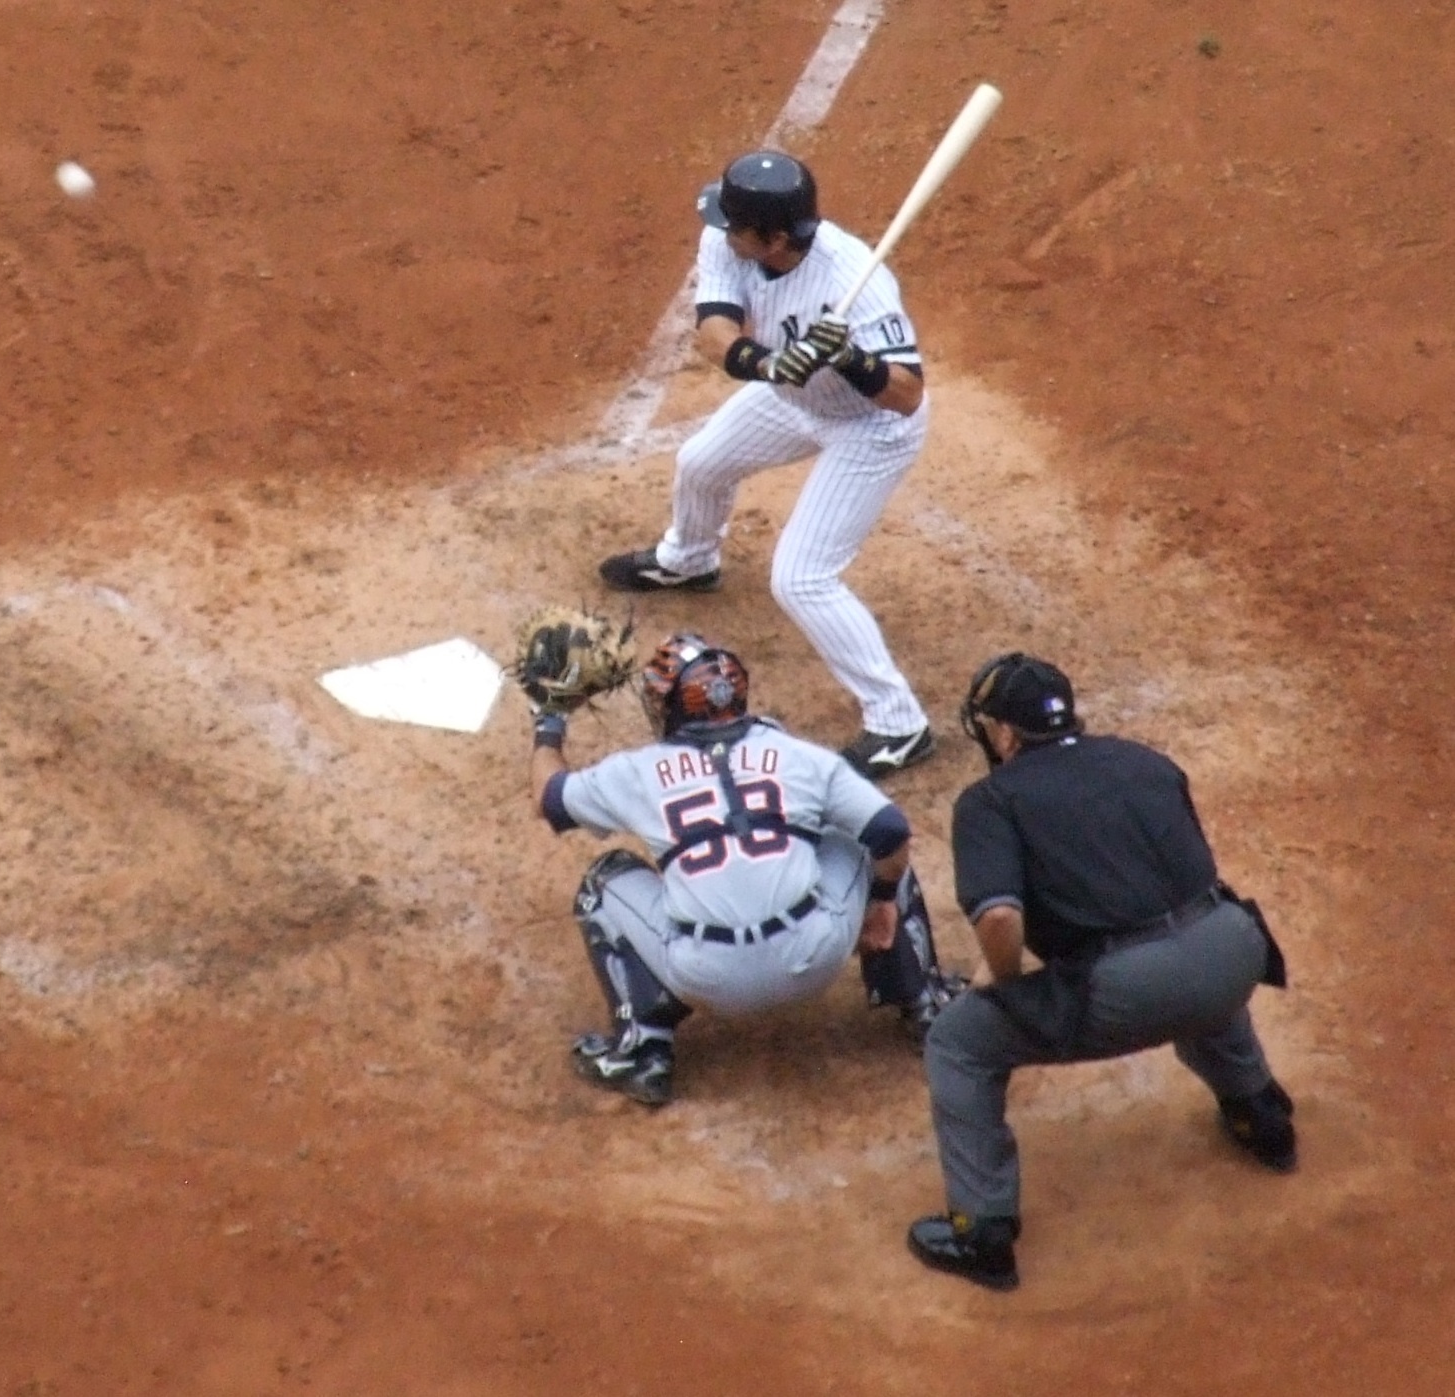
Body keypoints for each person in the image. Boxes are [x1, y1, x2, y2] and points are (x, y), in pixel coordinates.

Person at [907, 653, 1294, 1291]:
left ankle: (982, 1234)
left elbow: (999, 918)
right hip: (1235, 945)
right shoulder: (1145, 760)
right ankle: (1264, 1119)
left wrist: (1004, 979)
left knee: (958, 1042)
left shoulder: (990, 801)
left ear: (1003, 733)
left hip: (1135, 989)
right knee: (1195, 961)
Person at [596, 150, 935, 782]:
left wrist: (853, 360)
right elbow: (714, 330)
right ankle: (690, 560)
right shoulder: (729, 237)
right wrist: (769, 363)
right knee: (701, 462)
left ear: (775, 239)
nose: (721, 229)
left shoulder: (856, 282)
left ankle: (899, 723)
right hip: (791, 396)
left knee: (801, 579)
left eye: (735, 226)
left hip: (870, 427)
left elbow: (907, 394)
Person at [526, 630, 960, 1106]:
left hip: (705, 975)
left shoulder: (636, 771)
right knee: (861, 837)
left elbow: (549, 799)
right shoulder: (799, 755)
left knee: (603, 880)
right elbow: (891, 830)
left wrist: (549, 721)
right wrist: (880, 901)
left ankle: (642, 1050)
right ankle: (926, 1002)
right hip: (814, 955)